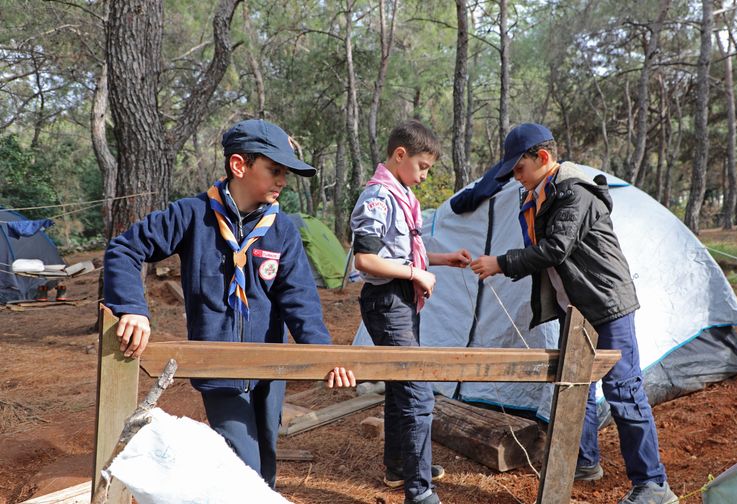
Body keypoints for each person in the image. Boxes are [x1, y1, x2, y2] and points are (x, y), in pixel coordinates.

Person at [103, 119, 356, 489]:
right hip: (219, 371)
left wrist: (323, 354)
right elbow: (125, 248)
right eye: (274, 170)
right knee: (244, 464)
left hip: (270, 372)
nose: (282, 180)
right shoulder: (191, 216)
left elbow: (299, 300)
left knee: (265, 461)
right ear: (239, 165)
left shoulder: (282, 229)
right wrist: (133, 309)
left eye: (285, 172)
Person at [470, 123, 677, 504]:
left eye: (519, 169)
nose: (516, 179)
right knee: (574, 384)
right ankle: (583, 459)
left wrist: (499, 263)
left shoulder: (574, 193)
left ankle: (653, 484)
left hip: (606, 305)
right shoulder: (540, 194)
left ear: (543, 158)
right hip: (576, 308)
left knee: (624, 390)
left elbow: (555, 249)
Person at [350, 120, 471, 504]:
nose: (423, 176)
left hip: (402, 300)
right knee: (418, 391)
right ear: (400, 155)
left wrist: (441, 260)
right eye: (422, 167)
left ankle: (399, 466)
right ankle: (420, 491)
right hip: (387, 303)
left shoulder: (400, 194)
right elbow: (366, 259)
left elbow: (400, 253)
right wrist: (417, 272)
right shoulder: (378, 197)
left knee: (402, 383)